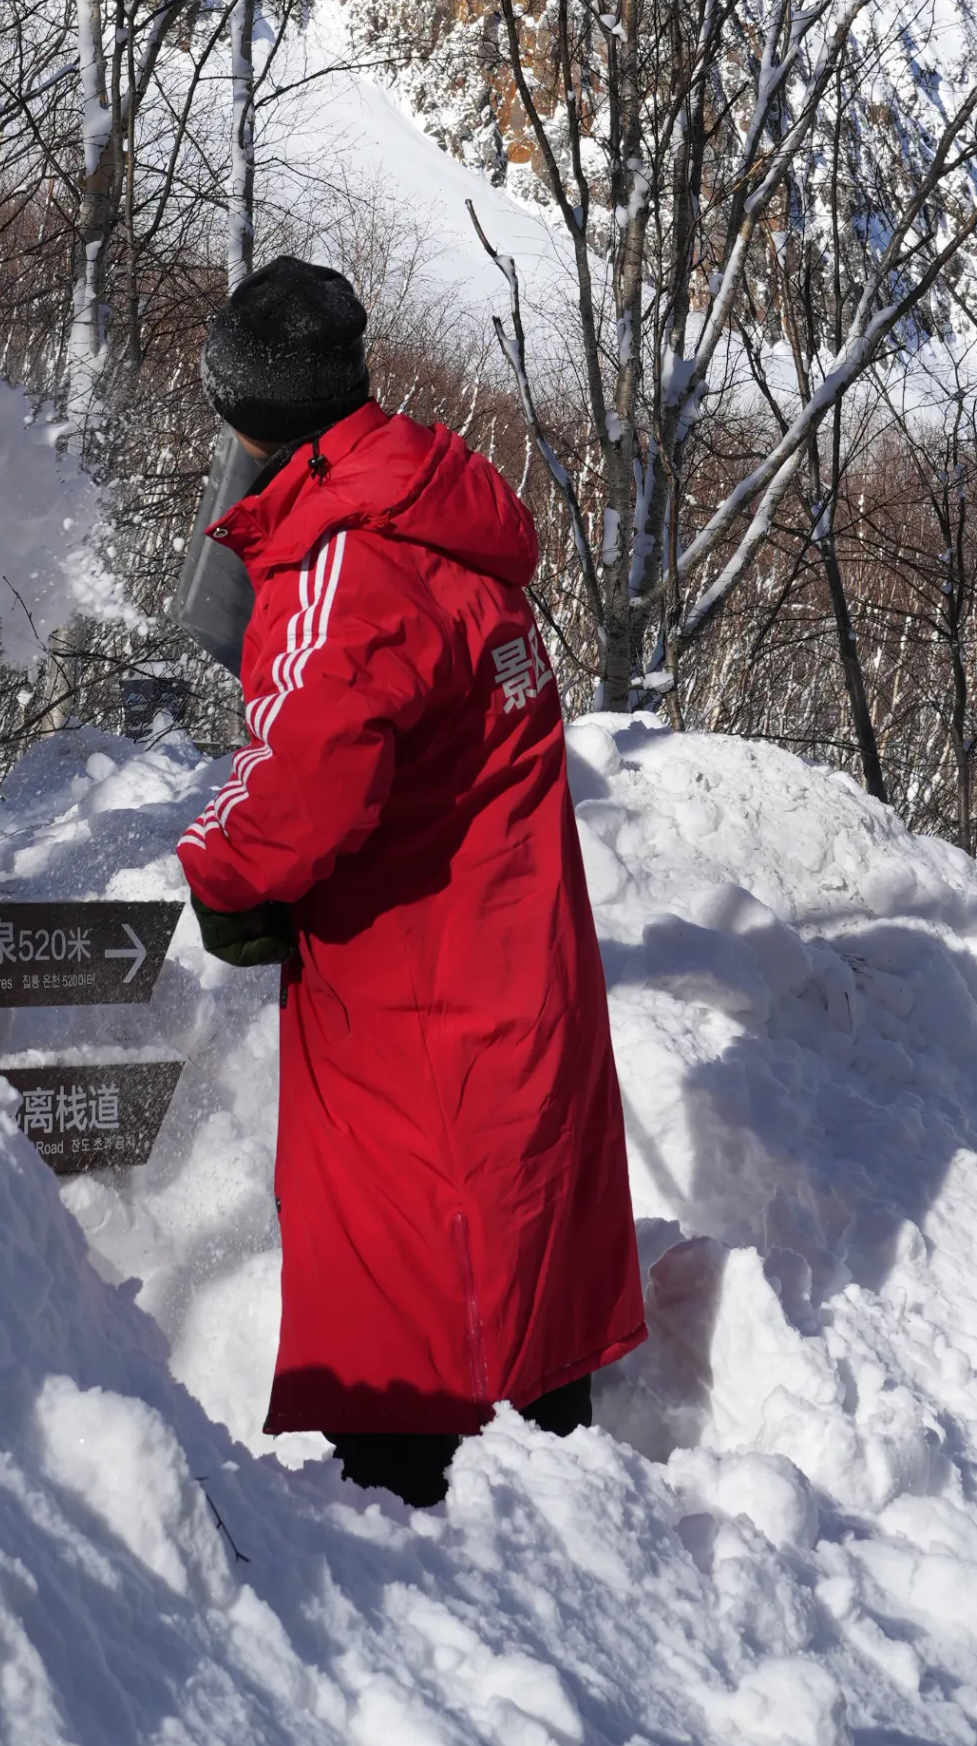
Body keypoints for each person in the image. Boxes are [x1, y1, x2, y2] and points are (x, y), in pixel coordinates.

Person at [175, 256, 644, 1506]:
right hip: (508, 947)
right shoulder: (436, 509)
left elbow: (303, 779)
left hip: (413, 989)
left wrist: (219, 870)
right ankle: (561, 1499)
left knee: (416, 1268)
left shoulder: (348, 560)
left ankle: (413, 1512)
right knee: (516, 1233)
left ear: (243, 408)